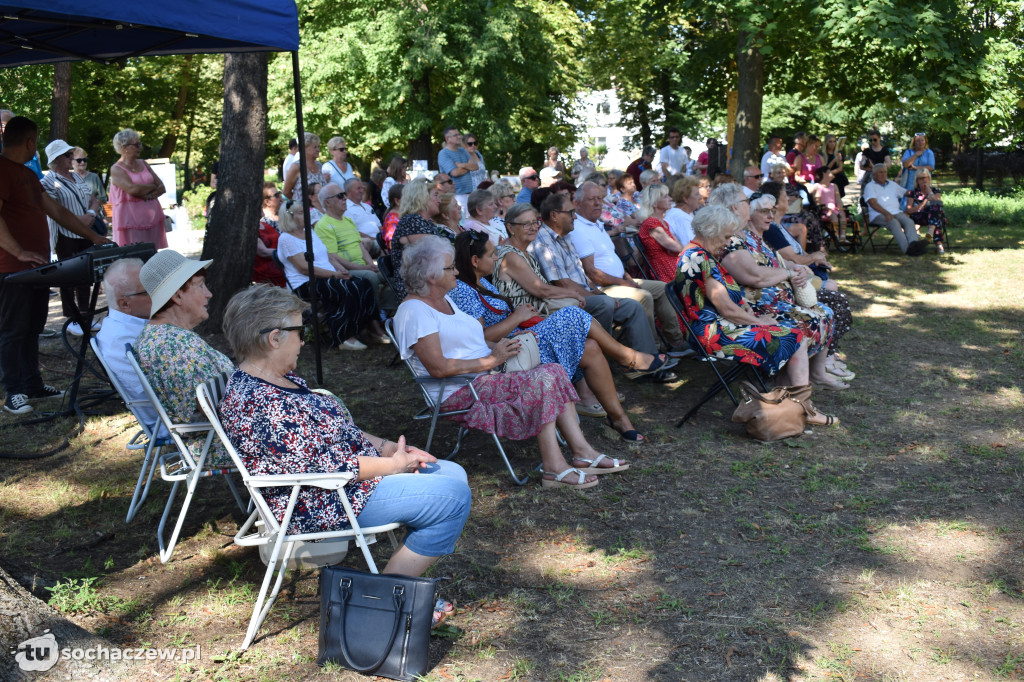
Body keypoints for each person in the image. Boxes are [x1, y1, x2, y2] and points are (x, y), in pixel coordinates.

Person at [220, 284, 470, 615]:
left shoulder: (277, 381)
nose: (305, 339)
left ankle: (401, 588)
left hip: (336, 487)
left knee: (451, 472)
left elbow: (337, 432)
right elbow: (323, 468)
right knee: (453, 498)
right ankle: (386, 597)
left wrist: (388, 449)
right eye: (300, 330)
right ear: (274, 338)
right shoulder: (263, 402)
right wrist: (394, 466)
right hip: (319, 501)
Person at [395, 236, 630, 489]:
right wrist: (490, 360)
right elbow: (439, 368)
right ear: (431, 276)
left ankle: (583, 452)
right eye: (450, 267)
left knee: (553, 369)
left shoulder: (446, 300)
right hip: (460, 391)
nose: (456, 271)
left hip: (485, 374)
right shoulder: (415, 312)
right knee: (545, 378)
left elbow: (470, 342)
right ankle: (554, 468)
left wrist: (503, 347)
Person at [451, 231, 646, 438]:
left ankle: (619, 419)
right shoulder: (463, 291)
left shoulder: (482, 282)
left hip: (523, 340)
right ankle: (628, 358)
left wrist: (520, 317)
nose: (496, 258)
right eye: (491, 255)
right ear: (474, 260)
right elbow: (480, 337)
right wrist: (516, 318)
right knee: (572, 313)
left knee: (590, 347)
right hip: (510, 354)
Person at [674, 206, 837, 426]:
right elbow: (727, 309)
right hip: (713, 333)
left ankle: (792, 405)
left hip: (723, 324)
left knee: (793, 334)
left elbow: (730, 302)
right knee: (793, 336)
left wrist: (750, 313)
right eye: (725, 236)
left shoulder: (704, 255)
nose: (728, 241)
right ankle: (802, 408)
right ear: (710, 229)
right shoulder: (696, 258)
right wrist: (758, 321)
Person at [1, 117, 98, 413]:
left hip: (35, 265)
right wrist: (18, 250)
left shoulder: (27, 174)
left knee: (32, 326)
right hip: (10, 267)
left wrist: (94, 237)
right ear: (30, 142)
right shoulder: (3, 170)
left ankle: (32, 384)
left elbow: (55, 210)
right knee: (13, 329)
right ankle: (13, 391)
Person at [522, 197, 680, 379]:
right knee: (606, 304)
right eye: (571, 213)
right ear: (555, 215)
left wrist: (598, 292)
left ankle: (644, 367)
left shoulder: (564, 237)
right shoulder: (544, 240)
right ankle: (602, 362)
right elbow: (562, 283)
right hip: (564, 299)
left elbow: (582, 276)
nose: (574, 217)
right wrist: (599, 295)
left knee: (632, 306)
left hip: (583, 293)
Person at [717, 191, 846, 391]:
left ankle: (807, 379)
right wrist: (787, 273)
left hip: (778, 300)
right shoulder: (730, 240)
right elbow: (754, 277)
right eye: (746, 201)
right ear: (734, 207)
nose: (748, 205)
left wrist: (795, 268)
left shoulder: (749, 235)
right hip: (757, 308)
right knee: (808, 320)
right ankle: (788, 389)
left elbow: (775, 259)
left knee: (825, 312)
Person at [134, 249, 234, 459]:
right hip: (218, 441)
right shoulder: (171, 345)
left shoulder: (167, 337)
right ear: (177, 295)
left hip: (219, 435)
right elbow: (213, 406)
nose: (209, 294)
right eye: (200, 286)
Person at [570, 181, 686, 350]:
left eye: (599, 198)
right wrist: (625, 283)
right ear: (577, 204)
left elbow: (611, 260)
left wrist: (628, 278)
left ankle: (675, 341)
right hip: (602, 288)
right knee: (643, 296)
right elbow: (592, 272)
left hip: (618, 281)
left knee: (662, 288)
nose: (597, 203)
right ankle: (654, 350)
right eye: (591, 199)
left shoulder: (597, 225)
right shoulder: (578, 229)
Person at [757, 182, 854, 376]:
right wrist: (813, 258)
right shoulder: (771, 229)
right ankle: (825, 359)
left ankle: (825, 356)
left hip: (794, 280)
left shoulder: (777, 226)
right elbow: (789, 260)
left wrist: (809, 262)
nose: (790, 199)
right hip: (786, 289)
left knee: (831, 301)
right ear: (776, 203)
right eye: (786, 196)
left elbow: (790, 259)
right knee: (834, 298)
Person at [276, 198, 386, 348]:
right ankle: (345, 337)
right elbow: (305, 268)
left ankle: (365, 329)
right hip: (305, 283)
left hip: (328, 276)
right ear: (290, 216)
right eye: (301, 213)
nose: (306, 216)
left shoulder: (309, 232)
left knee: (363, 283)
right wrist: (334, 275)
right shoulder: (286, 239)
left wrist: (341, 270)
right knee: (346, 288)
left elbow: (327, 255)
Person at [41, 139, 109, 336]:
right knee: (68, 276)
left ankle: (85, 315)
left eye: (71, 153)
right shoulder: (47, 182)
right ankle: (72, 319)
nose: (72, 158)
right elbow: (56, 211)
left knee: (86, 274)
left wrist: (90, 214)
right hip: (65, 234)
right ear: (55, 159)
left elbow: (93, 199)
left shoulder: (77, 178)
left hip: (85, 232)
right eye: (67, 155)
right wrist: (80, 220)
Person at [95, 258, 160, 424]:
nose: (159, 293)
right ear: (124, 303)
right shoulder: (124, 339)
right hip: (173, 420)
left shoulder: (129, 326)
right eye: (149, 290)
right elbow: (156, 395)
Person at [314, 183, 388, 304]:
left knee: (389, 273)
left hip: (362, 267)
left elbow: (361, 248)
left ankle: (384, 309)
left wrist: (371, 265)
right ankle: (376, 316)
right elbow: (333, 257)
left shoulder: (348, 220)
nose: (345, 198)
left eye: (344, 194)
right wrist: (365, 268)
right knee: (372, 277)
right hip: (345, 271)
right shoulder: (323, 225)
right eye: (340, 196)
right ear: (327, 202)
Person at [109, 128, 168, 248]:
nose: (140, 147)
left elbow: (162, 187)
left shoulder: (143, 163)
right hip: (130, 221)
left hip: (152, 219)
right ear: (124, 147)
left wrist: (149, 194)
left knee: (153, 255)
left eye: (140, 144)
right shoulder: (116, 169)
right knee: (135, 256)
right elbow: (133, 190)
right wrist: (152, 186)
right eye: (136, 144)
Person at [391, 178, 446, 301]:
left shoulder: (426, 223)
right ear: (422, 197)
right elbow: (434, 253)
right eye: (435, 195)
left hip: (430, 280)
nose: (439, 200)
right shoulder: (411, 221)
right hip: (416, 285)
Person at [863, 163, 925, 255]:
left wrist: (921, 191)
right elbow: (873, 203)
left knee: (909, 222)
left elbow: (906, 193)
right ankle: (908, 250)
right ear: (874, 174)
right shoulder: (870, 186)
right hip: (878, 214)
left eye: (885, 172)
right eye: (881, 172)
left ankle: (914, 246)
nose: (883, 174)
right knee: (894, 222)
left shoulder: (892, 184)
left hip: (896, 212)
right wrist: (886, 213)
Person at [636, 184, 683, 283]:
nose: (670, 198)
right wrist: (674, 249)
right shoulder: (651, 223)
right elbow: (677, 247)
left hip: (672, 263)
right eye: (665, 196)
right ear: (655, 203)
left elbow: (679, 247)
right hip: (664, 268)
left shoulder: (663, 223)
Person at [905, 168, 947, 255]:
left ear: (929, 178)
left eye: (926, 177)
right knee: (936, 218)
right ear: (917, 180)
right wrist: (923, 204)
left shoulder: (935, 190)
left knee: (935, 206)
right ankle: (938, 244)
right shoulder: (913, 193)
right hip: (919, 217)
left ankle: (930, 232)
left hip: (933, 216)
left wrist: (929, 192)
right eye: (921, 178)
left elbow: (939, 202)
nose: (924, 180)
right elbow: (909, 210)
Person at [252, 183, 286, 287]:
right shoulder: (253, 230)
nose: (280, 198)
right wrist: (291, 253)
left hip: (283, 272)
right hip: (267, 280)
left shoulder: (266, 226)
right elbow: (263, 252)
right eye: (276, 195)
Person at [437, 127, 476, 213]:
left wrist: (462, 165)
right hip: (455, 195)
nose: (459, 137)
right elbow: (454, 172)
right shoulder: (443, 153)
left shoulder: (463, 151)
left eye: (459, 134)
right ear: (447, 139)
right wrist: (468, 167)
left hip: (469, 194)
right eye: (455, 135)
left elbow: (475, 166)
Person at [283, 132, 325, 203]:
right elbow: (286, 192)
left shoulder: (319, 165)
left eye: (318, 146)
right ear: (304, 148)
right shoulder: (297, 167)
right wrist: (299, 204)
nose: (318, 149)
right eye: (315, 147)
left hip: (321, 209)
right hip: (304, 211)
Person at [811, 167, 848, 243]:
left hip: (834, 209)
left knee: (842, 214)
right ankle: (836, 235)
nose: (832, 173)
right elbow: (817, 202)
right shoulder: (817, 186)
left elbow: (838, 199)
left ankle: (843, 236)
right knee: (833, 215)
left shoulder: (834, 186)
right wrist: (827, 209)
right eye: (830, 172)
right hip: (824, 210)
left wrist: (840, 207)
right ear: (824, 174)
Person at [343, 177, 382, 246]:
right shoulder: (346, 209)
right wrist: (375, 240)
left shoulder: (367, 206)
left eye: (362, 188)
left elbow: (379, 226)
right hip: (366, 243)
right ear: (348, 192)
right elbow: (354, 233)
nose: (362, 191)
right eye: (358, 188)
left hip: (379, 240)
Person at [665, 175, 700, 246]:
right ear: (686, 199)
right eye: (697, 194)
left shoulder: (681, 213)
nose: (700, 197)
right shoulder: (680, 217)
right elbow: (693, 246)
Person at [381, 183, 403, 251]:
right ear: (397, 201)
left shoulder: (403, 214)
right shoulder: (392, 220)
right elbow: (393, 245)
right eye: (408, 198)